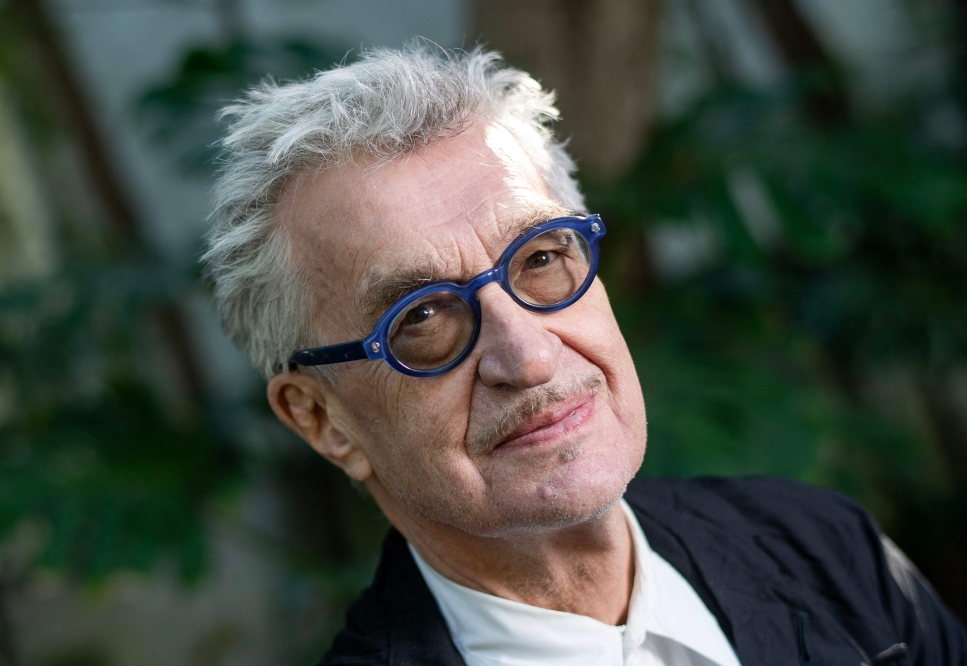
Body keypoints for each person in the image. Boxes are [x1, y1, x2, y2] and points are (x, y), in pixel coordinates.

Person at [203, 46, 967, 665]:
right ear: (322, 419)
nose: (530, 358)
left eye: (540, 259)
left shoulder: (824, 549)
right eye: (424, 316)